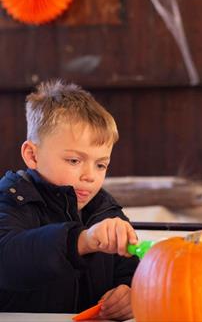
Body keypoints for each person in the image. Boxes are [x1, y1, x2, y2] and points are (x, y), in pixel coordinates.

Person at [0, 81, 139, 320]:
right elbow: (9, 259)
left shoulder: (106, 210)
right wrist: (82, 240)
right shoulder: (11, 200)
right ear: (32, 155)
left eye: (101, 164)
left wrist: (129, 292)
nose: (90, 176)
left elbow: (131, 270)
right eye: (74, 161)